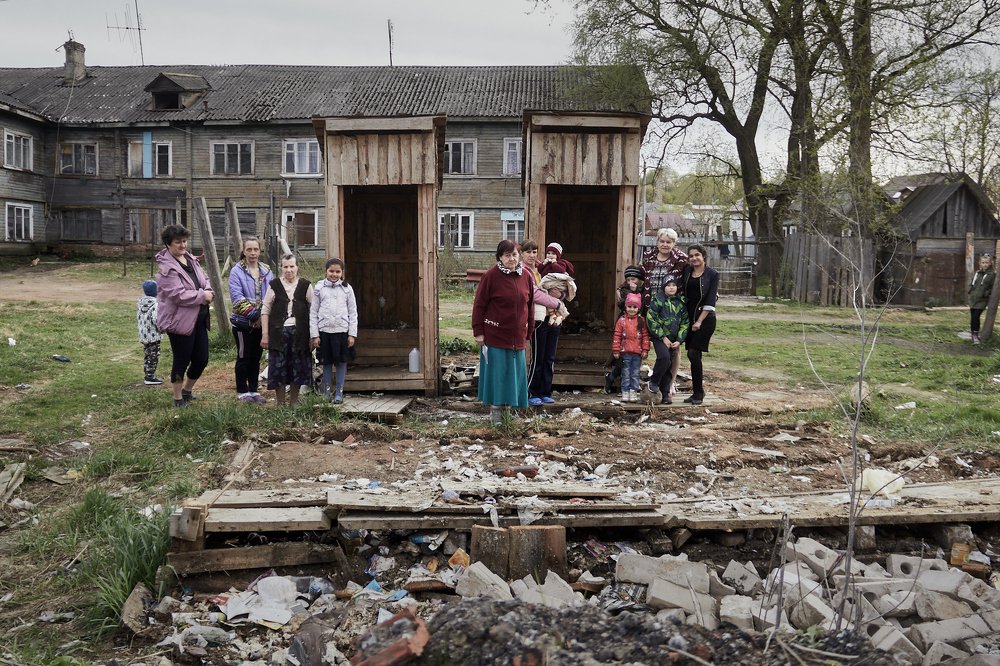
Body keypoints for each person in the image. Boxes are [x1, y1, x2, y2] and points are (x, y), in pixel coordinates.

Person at [472, 240, 534, 423]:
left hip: (517, 336)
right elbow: (479, 305)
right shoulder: (491, 276)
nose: (511, 259)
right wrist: (479, 331)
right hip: (495, 334)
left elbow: (529, 306)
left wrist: (529, 331)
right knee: (499, 373)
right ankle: (496, 413)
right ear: (499, 257)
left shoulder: (526, 277)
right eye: (507, 255)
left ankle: (509, 411)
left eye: (514, 254)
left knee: (514, 373)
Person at [155, 225, 214, 408]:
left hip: (199, 319)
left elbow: (205, 280)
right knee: (181, 360)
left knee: (202, 359)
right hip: (179, 321)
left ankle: (188, 390)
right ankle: (178, 398)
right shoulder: (167, 268)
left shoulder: (191, 259)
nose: (182, 245)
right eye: (178, 242)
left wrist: (208, 290)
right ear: (168, 244)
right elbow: (177, 294)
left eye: (184, 241)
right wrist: (202, 296)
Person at [261, 254, 314, 407]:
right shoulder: (274, 285)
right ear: (281, 268)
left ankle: (294, 402)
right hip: (278, 334)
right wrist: (265, 334)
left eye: (292, 266)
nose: (289, 270)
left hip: (300, 334)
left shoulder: (306, 285)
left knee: (298, 367)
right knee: (278, 366)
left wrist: (313, 335)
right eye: (285, 267)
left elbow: (314, 311)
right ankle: (280, 402)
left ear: (297, 267)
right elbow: (265, 310)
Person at [229, 236, 272, 403]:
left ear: (259, 251)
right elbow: (237, 297)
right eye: (249, 249)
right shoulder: (236, 271)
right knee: (243, 356)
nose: (253, 253)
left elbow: (272, 293)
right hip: (242, 323)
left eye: (255, 249)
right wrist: (255, 315)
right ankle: (242, 391)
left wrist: (264, 317)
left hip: (262, 323)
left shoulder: (267, 270)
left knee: (256, 356)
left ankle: (254, 390)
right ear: (244, 251)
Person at [310, 258, 358, 404]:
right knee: (326, 363)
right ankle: (326, 391)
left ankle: (339, 392)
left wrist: (352, 334)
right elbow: (313, 312)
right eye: (331, 271)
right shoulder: (319, 289)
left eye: (338, 271)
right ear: (326, 271)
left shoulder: (347, 289)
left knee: (341, 362)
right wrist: (315, 335)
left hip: (342, 331)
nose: (334, 274)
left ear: (342, 272)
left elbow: (353, 312)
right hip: (324, 332)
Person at [528, 273, 576, 406]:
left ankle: (545, 392)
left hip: (554, 319)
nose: (531, 255)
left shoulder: (542, 269)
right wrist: (557, 303)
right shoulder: (526, 272)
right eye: (529, 252)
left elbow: (564, 291)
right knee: (538, 357)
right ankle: (532, 392)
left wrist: (560, 296)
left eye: (534, 251)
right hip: (539, 319)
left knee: (549, 358)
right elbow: (535, 295)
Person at [680, 244, 719, 405]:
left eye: (697, 255)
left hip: (705, 319)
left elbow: (710, 300)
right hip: (689, 319)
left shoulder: (712, 274)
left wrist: (699, 321)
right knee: (694, 355)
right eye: (691, 256)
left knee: (693, 354)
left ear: (703, 256)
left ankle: (699, 393)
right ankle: (696, 393)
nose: (694, 258)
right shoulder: (687, 272)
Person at [646, 278, 690, 404]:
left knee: (669, 364)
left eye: (674, 285)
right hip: (660, 337)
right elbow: (651, 319)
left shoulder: (680, 303)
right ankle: (653, 381)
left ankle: (665, 392)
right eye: (668, 285)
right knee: (664, 358)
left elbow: (685, 322)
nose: (671, 287)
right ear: (663, 287)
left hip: (673, 340)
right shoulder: (658, 300)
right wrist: (663, 337)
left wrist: (679, 340)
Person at [604, 265, 646, 394]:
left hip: (638, 324)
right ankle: (616, 381)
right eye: (628, 280)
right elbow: (623, 303)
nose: (630, 282)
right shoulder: (623, 290)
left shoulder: (644, 289)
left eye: (633, 279)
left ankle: (622, 383)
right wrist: (633, 292)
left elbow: (644, 304)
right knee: (624, 357)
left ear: (639, 279)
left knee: (634, 357)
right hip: (624, 324)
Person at [611, 293, 650, 402]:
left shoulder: (641, 320)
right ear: (625, 307)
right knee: (626, 373)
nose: (632, 309)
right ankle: (625, 392)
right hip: (625, 352)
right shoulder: (621, 320)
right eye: (629, 306)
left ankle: (633, 392)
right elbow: (617, 336)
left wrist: (645, 349)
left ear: (638, 308)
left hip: (637, 353)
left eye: (634, 307)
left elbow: (645, 336)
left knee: (635, 373)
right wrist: (616, 350)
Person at [642, 228, 688, 309]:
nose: (665, 244)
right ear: (657, 242)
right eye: (662, 241)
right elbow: (638, 276)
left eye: (668, 242)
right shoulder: (648, 257)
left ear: (674, 243)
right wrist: (621, 288)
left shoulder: (682, 259)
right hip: (651, 305)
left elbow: (693, 275)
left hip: (672, 307)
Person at [136, 279, 163, 386]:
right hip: (153, 335)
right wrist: (163, 329)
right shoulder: (155, 305)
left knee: (148, 354)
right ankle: (150, 377)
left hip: (143, 334)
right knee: (153, 356)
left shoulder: (140, 303)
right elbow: (157, 320)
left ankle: (148, 373)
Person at [969, 253, 995, 345]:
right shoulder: (977, 273)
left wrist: (986, 293)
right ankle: (972, 334)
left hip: (982, 299)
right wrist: (970, 291)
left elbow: (993, 287)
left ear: (990, 263)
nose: (985, 264)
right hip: (973, 298)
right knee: (973, 317)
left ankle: (975, 334)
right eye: (983, 262)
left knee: (976, 316)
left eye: (987, 262)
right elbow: (972, 283)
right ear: (980, 263)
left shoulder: (992, 275)